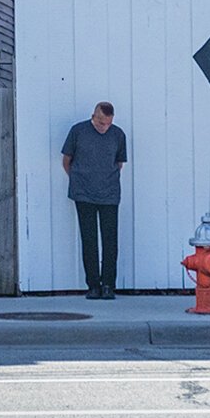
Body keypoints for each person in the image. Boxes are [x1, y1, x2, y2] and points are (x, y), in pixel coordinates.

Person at [61, 102, 127, 300]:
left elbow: (119, 162)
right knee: (89, 240)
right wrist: (77, 179)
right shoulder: (78, 131)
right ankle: (93, 286)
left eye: (107, 123)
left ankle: (108, 285)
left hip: (109, 194)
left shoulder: (118, 135)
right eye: (100, 122)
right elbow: (66, 160)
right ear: (93, 115)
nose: (103, 127)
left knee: (110, 240)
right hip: (83, 193)